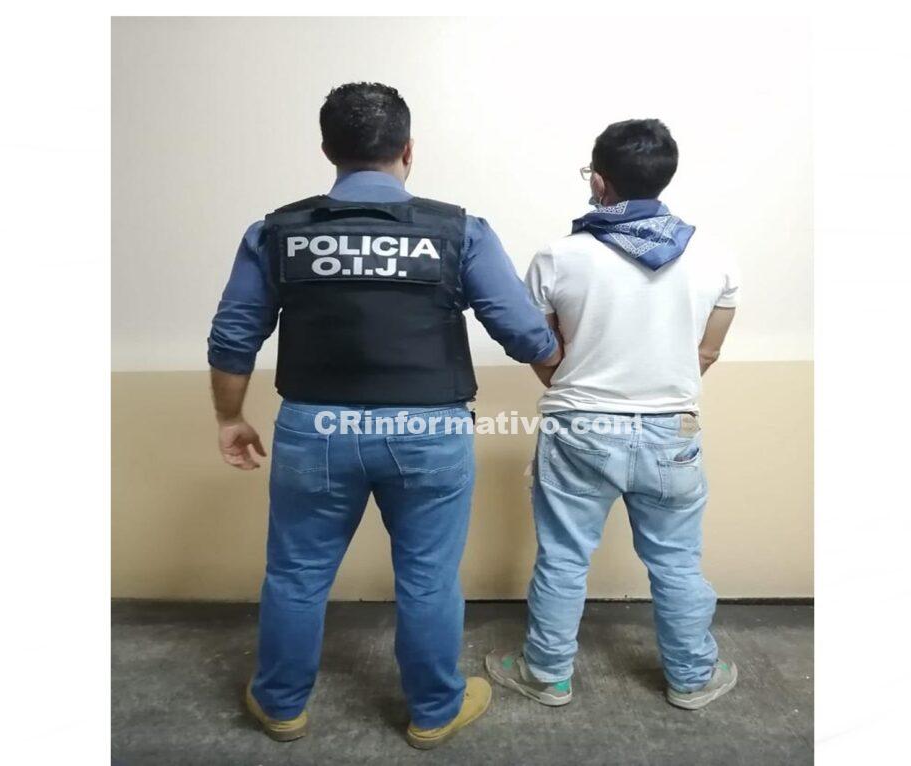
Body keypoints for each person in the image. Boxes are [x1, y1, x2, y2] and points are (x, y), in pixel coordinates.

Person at [206, 82, 561, 749]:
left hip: (315, 431)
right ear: (408, 150)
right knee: (428, 578)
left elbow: (233, 335)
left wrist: (230, 416)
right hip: (429, 433)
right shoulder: (459, 231)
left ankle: (281, 705)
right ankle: (433, 712)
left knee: (296, 575)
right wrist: (567, 366)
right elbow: (523, 334)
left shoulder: (275, 232)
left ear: (327, 151)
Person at [485, 119, 740, 711]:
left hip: (579, 425)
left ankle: (547, 675)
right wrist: (656, 395)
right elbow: (706, 352)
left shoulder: (558, 256)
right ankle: (692, 678)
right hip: (671, 429)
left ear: (599, 181)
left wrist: (576, 388)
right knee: (676, 560)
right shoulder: (716, 257)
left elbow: (542, 349)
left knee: (564, 557)